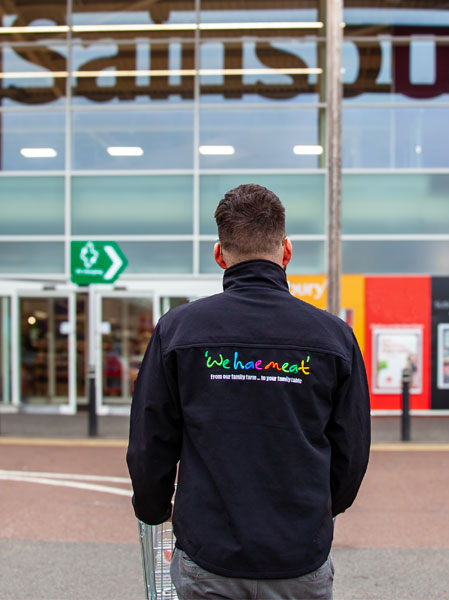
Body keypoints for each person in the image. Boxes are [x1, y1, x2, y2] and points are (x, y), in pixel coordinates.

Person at [127, 183, 371, 600]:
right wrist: (317, 514)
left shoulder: (179, 331)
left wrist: (153, 508)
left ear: (220, 255)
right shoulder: (334, 339)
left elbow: (151, 441)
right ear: (286, 252)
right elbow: (351, 451)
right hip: (298, 557)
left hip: (209, 555)